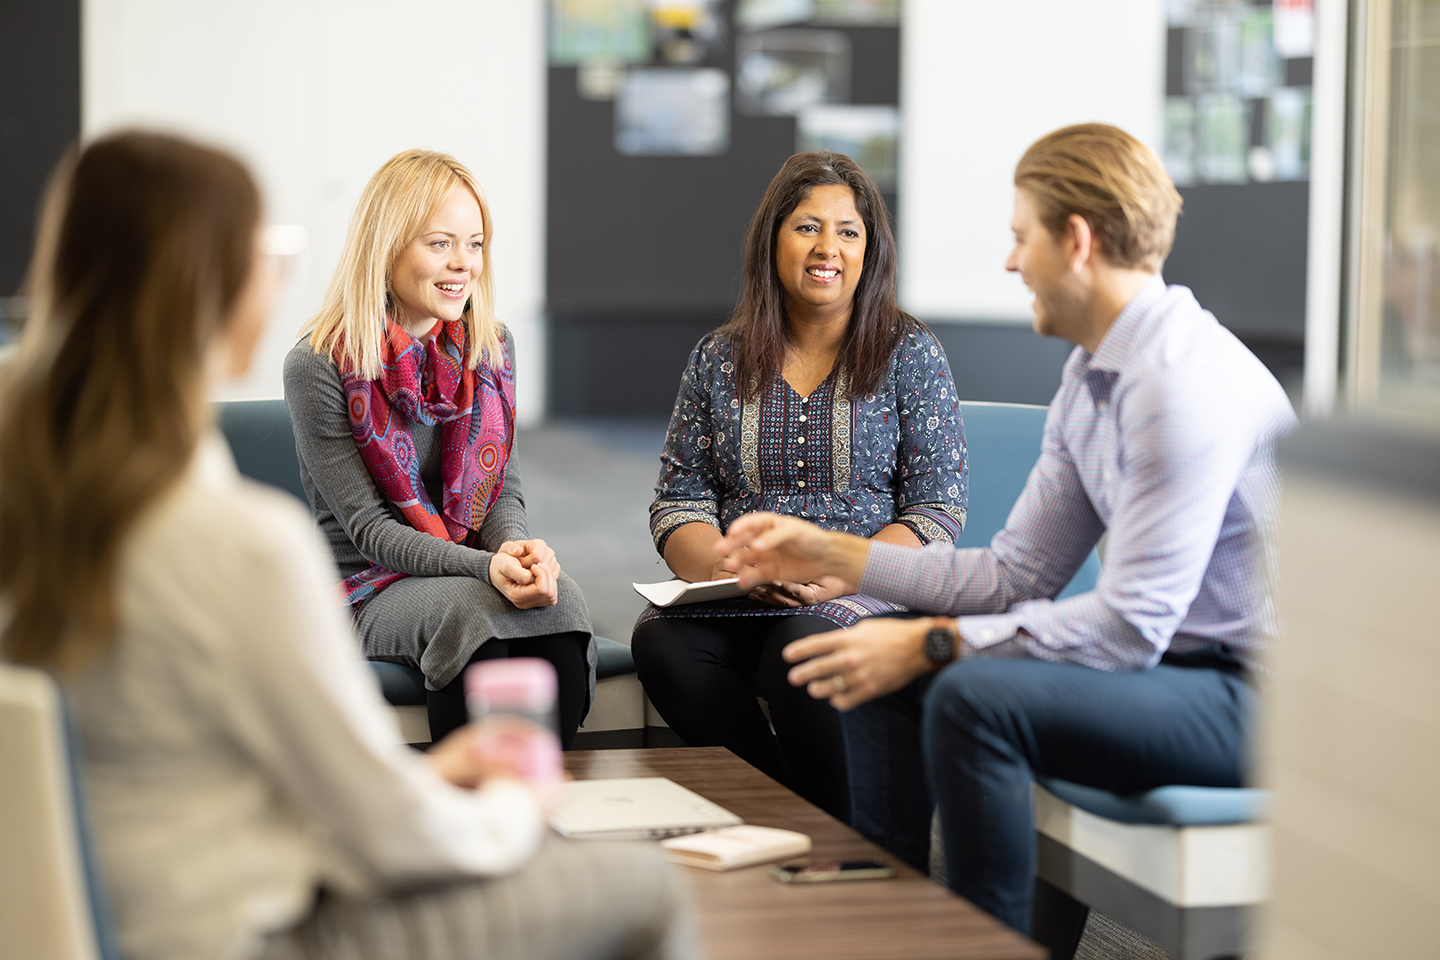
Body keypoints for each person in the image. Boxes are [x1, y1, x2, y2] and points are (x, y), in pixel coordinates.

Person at [0, 132, 692, 960]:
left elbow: (259, 781)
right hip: (257, 923)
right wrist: (510, 802)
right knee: (648, 888)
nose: (279, 272)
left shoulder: (39, 496)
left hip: (125, 905)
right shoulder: (253, 544)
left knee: (554, 598)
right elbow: (386, 837)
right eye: (266, 251)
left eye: (472, 244)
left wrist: (430, 776)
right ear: (216, 289)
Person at [714, 124, 1297, 933]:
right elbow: (1013, 577)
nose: (1011, 261)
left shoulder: (1177, 385)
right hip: (1164, 668)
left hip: (1248, 695)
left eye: (1022, 238)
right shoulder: (1092, 378)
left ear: (1078, 243)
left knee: (968, 691)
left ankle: (979, 947)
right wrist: (839, 556)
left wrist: (930, 644)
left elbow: (1130, 624)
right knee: (886, 661)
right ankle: (893, 925)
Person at [632, 151, 968, 820]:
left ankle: (839, 838)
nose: (828, 248)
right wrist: (732, 569)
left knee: (804, 647)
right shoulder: (717, 358)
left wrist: (840, 571)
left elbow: (937, 508)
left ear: (869, 250)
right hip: (748, 586)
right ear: (773, 239)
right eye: (808, 227)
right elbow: (681, 499)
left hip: (865, 585)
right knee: (664, 643)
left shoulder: (910, 353)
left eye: (848, 231)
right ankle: (784, 816)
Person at [284, 150, 593, 745]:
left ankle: (546, 802)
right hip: (368, 586)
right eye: (440, 244)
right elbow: (369, 531)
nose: (463, 265)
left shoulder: (489, 344)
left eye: (474, 245)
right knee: (472, 610)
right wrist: (487, 567)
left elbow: (501, 489)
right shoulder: (320, 363)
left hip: (472, 568)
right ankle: (467, 813)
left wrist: (518, 553)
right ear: (388, 247)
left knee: (559, 601)